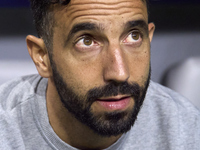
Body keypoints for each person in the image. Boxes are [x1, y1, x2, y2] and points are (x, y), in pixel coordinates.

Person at [0, 0, 199, 149]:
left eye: (133, 36)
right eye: (86, 41)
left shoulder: (187, 131)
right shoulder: (6, 133)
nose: (120, 73)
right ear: (42, 57)